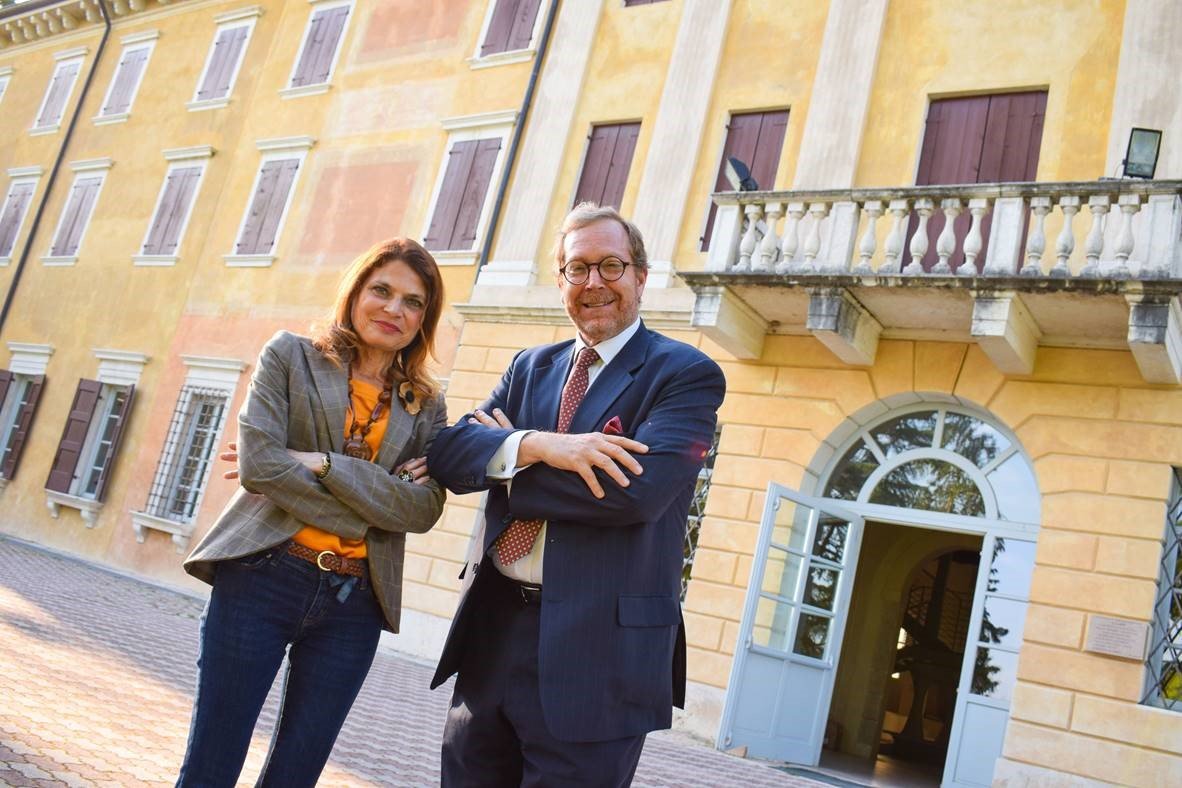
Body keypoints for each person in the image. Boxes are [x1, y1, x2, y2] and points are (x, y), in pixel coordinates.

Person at [427, 204, 726, 786]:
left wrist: (505, 459)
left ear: (641, 276)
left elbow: (634, 496)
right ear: (561, 279)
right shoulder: (529, 367)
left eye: (611, 266)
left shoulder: (685, 374)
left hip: (600, 656)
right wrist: (542, 445)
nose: (594, 283)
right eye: (577, 268)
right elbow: (448, 454)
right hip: (493, 633)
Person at [178, 238, 448, 787]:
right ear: (355, 292)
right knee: (212, 765)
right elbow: (261, 466)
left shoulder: (426, 405)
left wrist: (322, 463)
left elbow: (422, 509)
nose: (394, 309)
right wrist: (375, 504)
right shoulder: (290, 357)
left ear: (425, 318)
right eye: (381, 290)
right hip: (262, 576)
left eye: (413, 302)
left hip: (356, 603)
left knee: (296, 775)